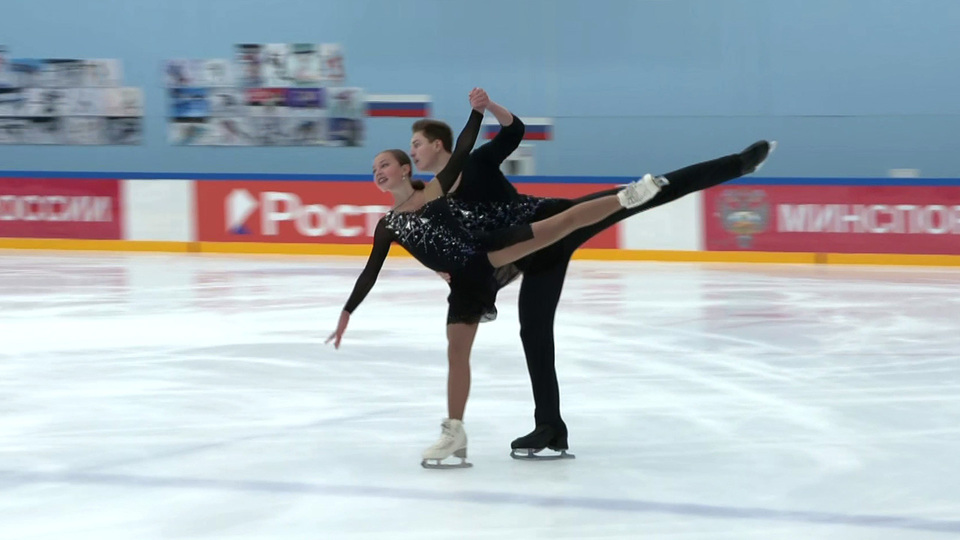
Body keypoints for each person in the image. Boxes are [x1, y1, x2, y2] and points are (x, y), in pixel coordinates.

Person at [410, 89, 776, 459]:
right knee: (533, 332)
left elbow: (514, 130)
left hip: (556, 221)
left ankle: (738, 164)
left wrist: (488, 107)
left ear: (439, 145)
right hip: (532, 258)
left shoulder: (476, 162)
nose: (412, 152)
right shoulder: (436, 201)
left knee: (645, 193)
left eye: (417, 144)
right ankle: (550, 426)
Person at [327, 90, 665, 468]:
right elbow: (370, 272)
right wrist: (347, 311)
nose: (378, 171)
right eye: (374, 168)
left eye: (384, 164)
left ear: (404, 169)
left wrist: (476, 113)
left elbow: (463, 150)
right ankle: (454, 434)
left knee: (562, 222)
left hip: (486, 253)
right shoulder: (387, 225)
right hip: (463, 284)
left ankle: (628, 196)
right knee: (457, 353)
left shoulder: (434, 191)